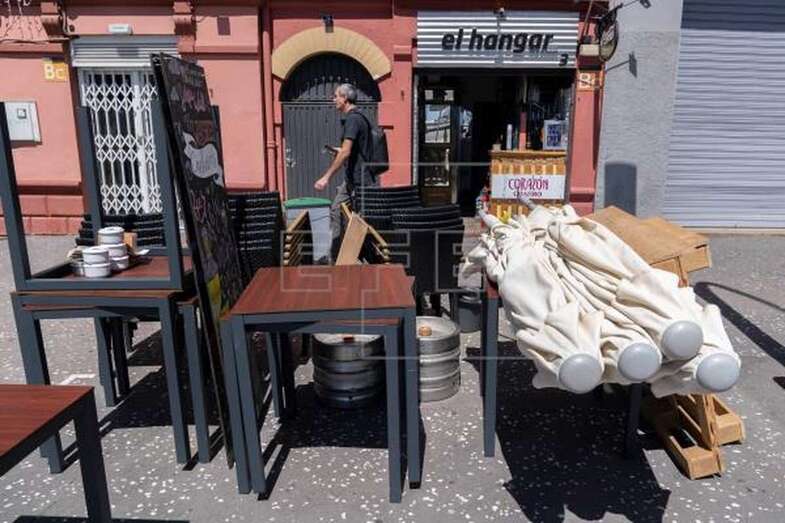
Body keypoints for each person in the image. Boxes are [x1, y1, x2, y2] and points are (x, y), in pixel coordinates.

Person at [313, 83, 376, 261]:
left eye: (336, 96)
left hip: (359, 180)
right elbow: (351, 149)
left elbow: (347, 151)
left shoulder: (353, 119)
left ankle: (362, 261)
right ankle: (337, 257)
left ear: (345, 98)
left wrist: (326, 177)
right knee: (336, 210)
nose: (333, 100)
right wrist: (338, 150)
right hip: (351, 180)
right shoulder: (358, 117)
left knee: (358, 223)